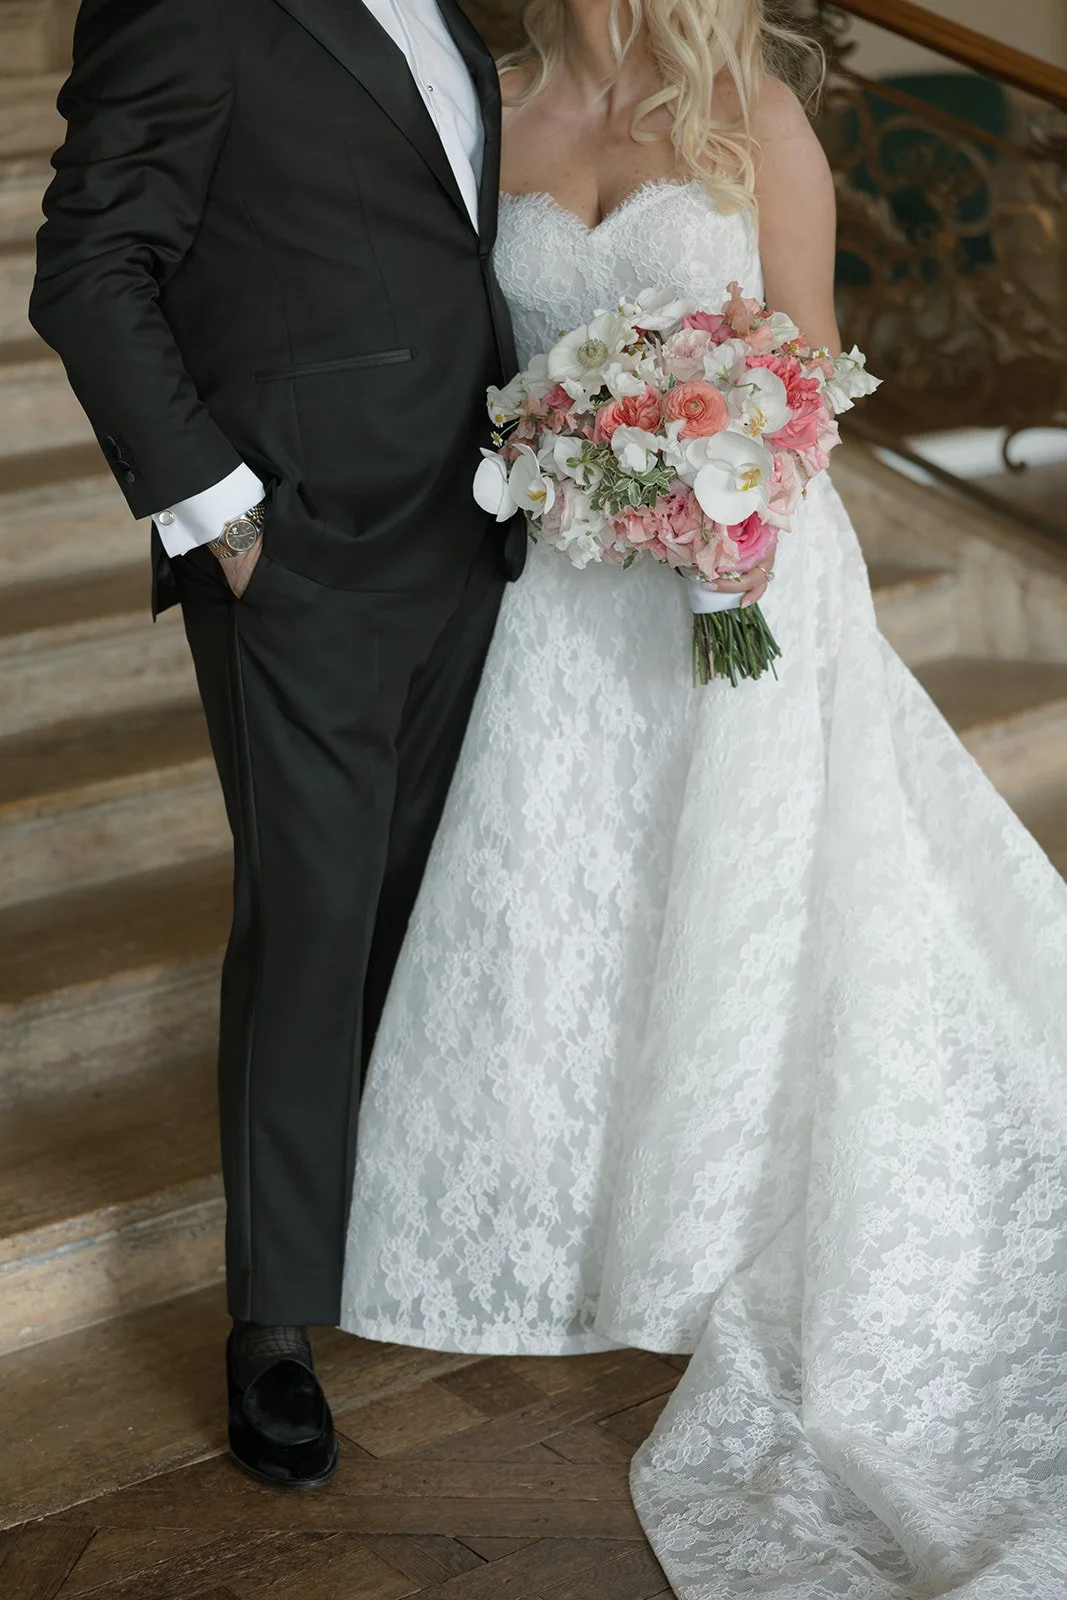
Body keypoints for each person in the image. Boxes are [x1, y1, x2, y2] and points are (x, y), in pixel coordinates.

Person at [340, 1, 1067, 1593]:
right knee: (559, 898)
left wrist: (704, 460)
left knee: (744, 899)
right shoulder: (485, 104)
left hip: (739, 581)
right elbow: (465, 359)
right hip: (562, 597)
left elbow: (807, 369)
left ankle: (711, 1208)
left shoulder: (757, 115)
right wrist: (578, 444)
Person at [30, 0, 524, 1490]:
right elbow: (89, 267)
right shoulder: (190, 8)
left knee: (409, 904)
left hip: (477, 526)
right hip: (299, 551)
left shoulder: (459, 10)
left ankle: (389, 1225)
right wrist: (222, 519)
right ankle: (275, 1325)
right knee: (308, 919)